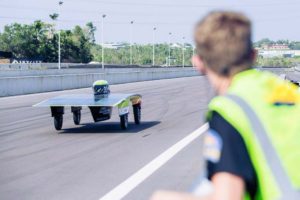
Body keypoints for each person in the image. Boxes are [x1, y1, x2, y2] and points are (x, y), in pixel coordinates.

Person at [151, 11, 300, 200]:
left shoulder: (229, 108)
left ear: (198, 62)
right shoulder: (290, 92)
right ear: (253, 55)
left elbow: (228, 196)